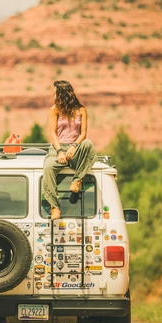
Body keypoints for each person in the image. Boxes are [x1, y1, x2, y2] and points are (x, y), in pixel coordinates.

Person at [43, 80, 98, 220]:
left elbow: (83, 134)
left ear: (62, 94)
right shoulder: (54, 110)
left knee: (89, 144)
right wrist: (60, 151)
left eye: (55, 92)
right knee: (48, 167)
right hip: (58, 149)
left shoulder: (81, 110)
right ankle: (54, 206)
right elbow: (53, 134)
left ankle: (77, 180)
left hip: (75, 148)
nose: (53, 95)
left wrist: (74, 146)